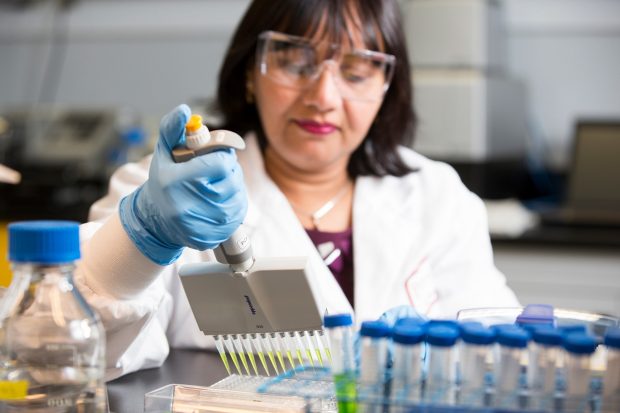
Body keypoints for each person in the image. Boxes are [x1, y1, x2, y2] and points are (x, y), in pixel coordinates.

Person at [76, 0, 519, 380]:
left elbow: (498, 349)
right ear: (251, 72)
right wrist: (143, 237)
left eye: (357, 70)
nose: (323, 96)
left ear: (386, 88)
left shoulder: (436, 196)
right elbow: (77, 349)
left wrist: (445, 355)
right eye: (295, 61)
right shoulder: (172, 193)